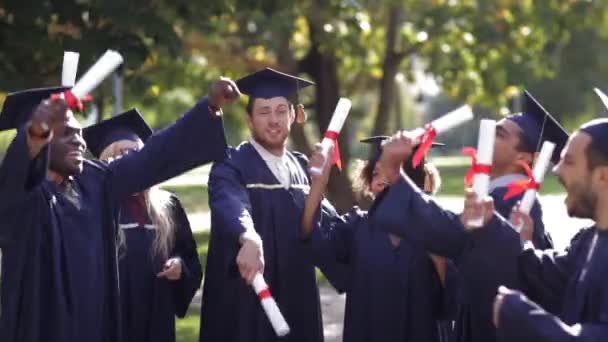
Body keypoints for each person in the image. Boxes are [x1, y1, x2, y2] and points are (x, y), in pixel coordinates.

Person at [0, 78, 237, 342]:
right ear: (40, 139)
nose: (79, 142)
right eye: (67, 133)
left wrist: (209, 107)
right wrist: (34, 133)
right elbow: (15, 174)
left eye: (79, 133)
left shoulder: (95, 182)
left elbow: (153, 157)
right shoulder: (23, 196)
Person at [365, 97, 569, 342]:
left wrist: (394, 172)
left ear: (524, 159)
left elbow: (453, 234)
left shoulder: (513, 205)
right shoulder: (503, 197)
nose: (489, 133)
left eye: (500, 134)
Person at [199, 68, 344, 342]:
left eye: (280, 111)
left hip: (297, 298)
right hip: (246, 304)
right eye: (264, 112)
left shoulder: (303, 167)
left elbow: (316, 230)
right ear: (249, 119)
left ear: (294, 116)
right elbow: (230, 203)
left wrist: (320, 185)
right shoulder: (231, 163)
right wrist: (249, 236)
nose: (274, 120)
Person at [301, 136, 450, 342]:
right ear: (369, 184)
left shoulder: (436, 227)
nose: (382, 179)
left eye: (394, 173)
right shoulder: (356, 227)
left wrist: (438, 253)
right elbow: (312, 239)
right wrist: (319, 183)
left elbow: (456, 297)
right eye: (376, 173)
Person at [82, 109, 202, 342]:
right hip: (111, 319)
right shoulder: (93, 207)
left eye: (135, 154)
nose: (129, 160)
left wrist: (180, 267)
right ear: (105, 163)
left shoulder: (168, 206)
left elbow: (188, 258)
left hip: (156, 318)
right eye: (119, 154)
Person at [492, 117, 608, 341]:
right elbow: (550, 276)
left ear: (603, 176)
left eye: (570, 162)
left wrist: (522, 315)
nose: (556, 169)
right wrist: (524, 241)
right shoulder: (590, 241)